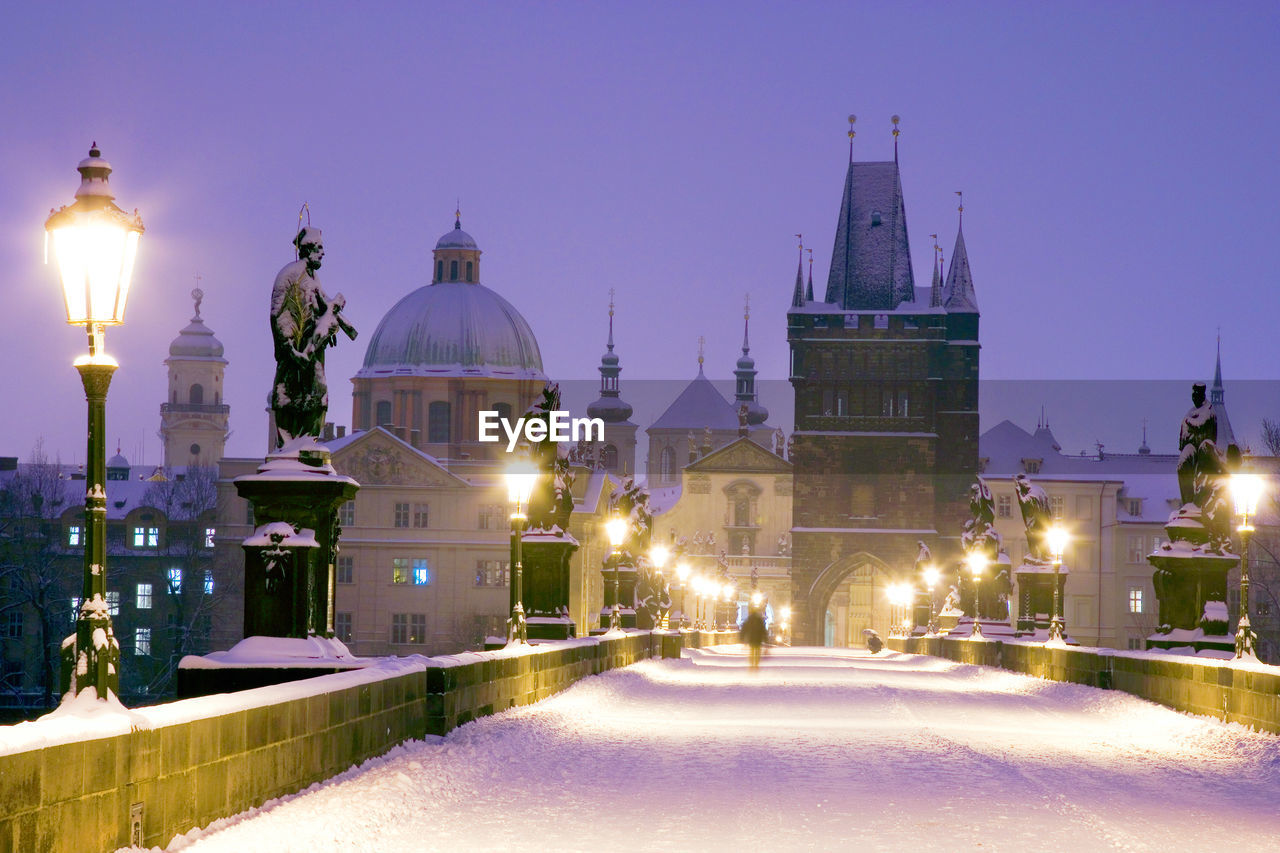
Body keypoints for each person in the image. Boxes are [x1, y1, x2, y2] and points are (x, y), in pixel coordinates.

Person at [269, 227, 357, 448]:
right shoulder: (289, 275)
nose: (323, 254)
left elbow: (321, 306)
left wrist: (332, 325)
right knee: (288, 396)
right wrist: (290, 348)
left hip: (313, 348)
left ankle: (308, 441)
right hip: (296, 349)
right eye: (319, 249)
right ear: (307, 249)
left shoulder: (312, 276)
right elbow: (277, 313)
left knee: (318, 394)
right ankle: (289, 445)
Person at [740, 605, 767, 670]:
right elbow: (763, 630)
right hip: (758, 639)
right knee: (757, 652)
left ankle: (752, 664)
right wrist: (766, 639)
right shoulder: (759, 620)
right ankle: (756, 664)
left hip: (751, 638)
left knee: (752, 651)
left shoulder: (749, 620)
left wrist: (742, 638)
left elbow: (744, 629)